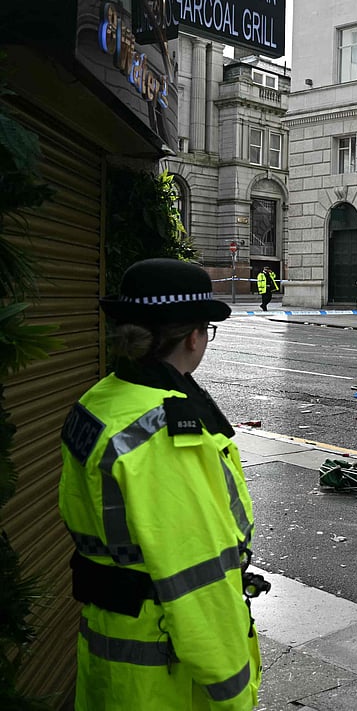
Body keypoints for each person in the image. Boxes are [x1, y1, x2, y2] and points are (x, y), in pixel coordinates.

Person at [58, 258, 262, 710]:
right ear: (193, 337)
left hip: (110, 641)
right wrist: (234, 690)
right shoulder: (167, 436)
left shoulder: (101, 399)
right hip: (165, 669)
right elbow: (196, 577)